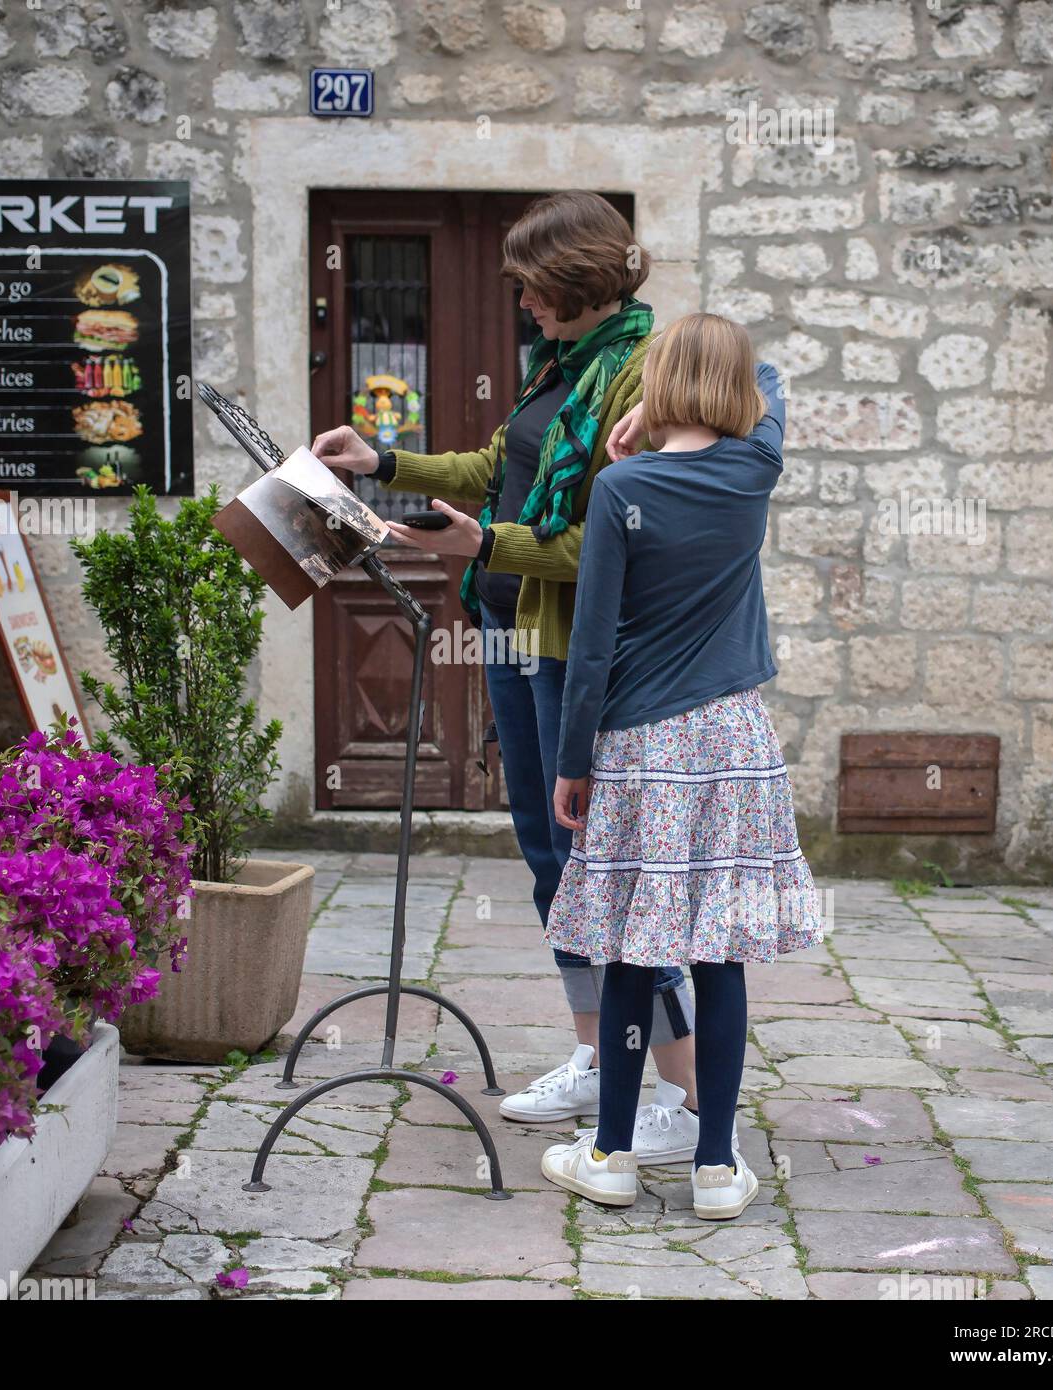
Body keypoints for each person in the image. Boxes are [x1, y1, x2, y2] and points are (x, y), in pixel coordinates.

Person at [311, 191, 708, 1160]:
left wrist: (487, 541)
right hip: (513, 629)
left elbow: (617, 539)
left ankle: (687, 1097)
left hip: (584, 653)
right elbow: (500, 463)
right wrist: (386, 459)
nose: (521, 303)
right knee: (550, 859)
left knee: (609, 870)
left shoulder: (639, 380)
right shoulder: (559, 365)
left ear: (575, 283)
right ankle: (595, 1058)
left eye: (532, 288)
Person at [537, 312, 823, 1220]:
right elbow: (769, 381)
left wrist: (571, 760)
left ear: (657, 386)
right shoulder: (753, 471)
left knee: (630, 949)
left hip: (639, 744)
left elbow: (590, 645)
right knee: (720, 953)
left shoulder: (625, 487)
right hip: (734, 742)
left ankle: (612, 1155)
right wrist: (714, 384)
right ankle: (712, 1167)